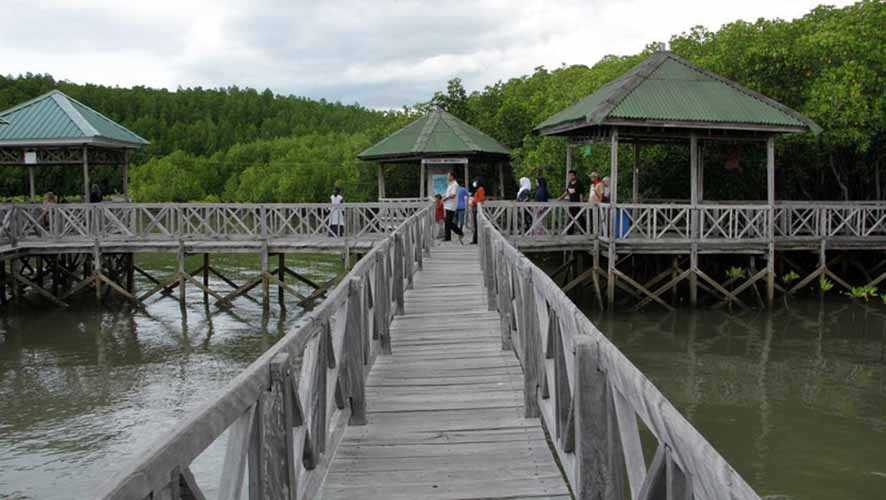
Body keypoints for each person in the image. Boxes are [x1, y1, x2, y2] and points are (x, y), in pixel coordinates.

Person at [558, 170, 584, 235]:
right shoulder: (570, 183)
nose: (570, 177)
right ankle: (570, 232)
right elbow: (567, 192)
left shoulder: (579, 183)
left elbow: (581, 194)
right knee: (571, 218)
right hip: (571, 203)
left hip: (577, 204)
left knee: (580, 219)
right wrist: (560, 198)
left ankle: (583, 231)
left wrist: (581, 203)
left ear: (575, 176)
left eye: (571, 175)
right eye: (569, 175)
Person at [442, 171, 463, 243]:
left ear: (452, 177)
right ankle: (448, 236)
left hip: (451, 205)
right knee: (447, 222)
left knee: (448, 222)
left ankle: (458, 232)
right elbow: (448, 194)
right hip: (447, 205)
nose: (447, 177)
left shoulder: (455, 184)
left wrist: (445, 198)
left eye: (448, 176)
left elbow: (453, 195)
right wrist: (443, 196)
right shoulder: (450, 184)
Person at [470, 176, 486, 244]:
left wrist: (474, 201)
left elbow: (481, 199)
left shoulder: (481, 189)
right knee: (475, 225)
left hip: (477, 208)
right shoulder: (478, 189)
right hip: (475, 208)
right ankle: (475, 239)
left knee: (477, 225)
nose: (474, 183)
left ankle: (476, 240)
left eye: (476, 182)